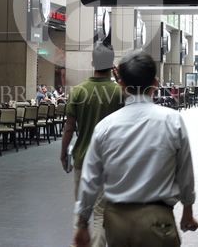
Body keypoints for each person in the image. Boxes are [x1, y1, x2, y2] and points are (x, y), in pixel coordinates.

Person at [73, 50, 198, 247]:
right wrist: (188, 211)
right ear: (155, 83)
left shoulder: (105, 127)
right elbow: (185, 171)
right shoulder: (172, 121)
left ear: (121, 84)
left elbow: (90, 180)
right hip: (158, 220)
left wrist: (82, 223)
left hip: (117, 222)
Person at [60, 42, 124, 247]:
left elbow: (69, 128)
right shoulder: (119, 92)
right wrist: (119, 78)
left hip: (83, 158)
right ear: (111, 65)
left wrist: (64, 153)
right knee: (101, 212)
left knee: (81, 209)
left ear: (92, 62)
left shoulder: (78, 91)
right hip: (111, 160)